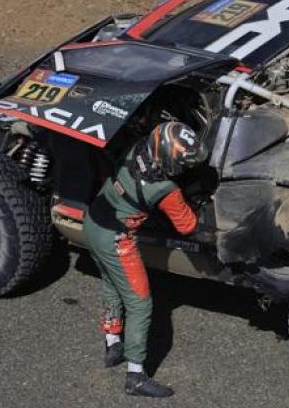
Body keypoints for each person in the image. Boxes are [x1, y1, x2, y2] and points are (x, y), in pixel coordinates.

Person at [83, 122, 207, 398]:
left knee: (111, 282)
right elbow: (187, 226)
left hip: (92, 222)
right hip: (116, 239)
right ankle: (136, 376)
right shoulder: (166, 188)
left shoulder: (135, 148)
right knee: (140, 303)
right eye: (182, 165)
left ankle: (113, 341)